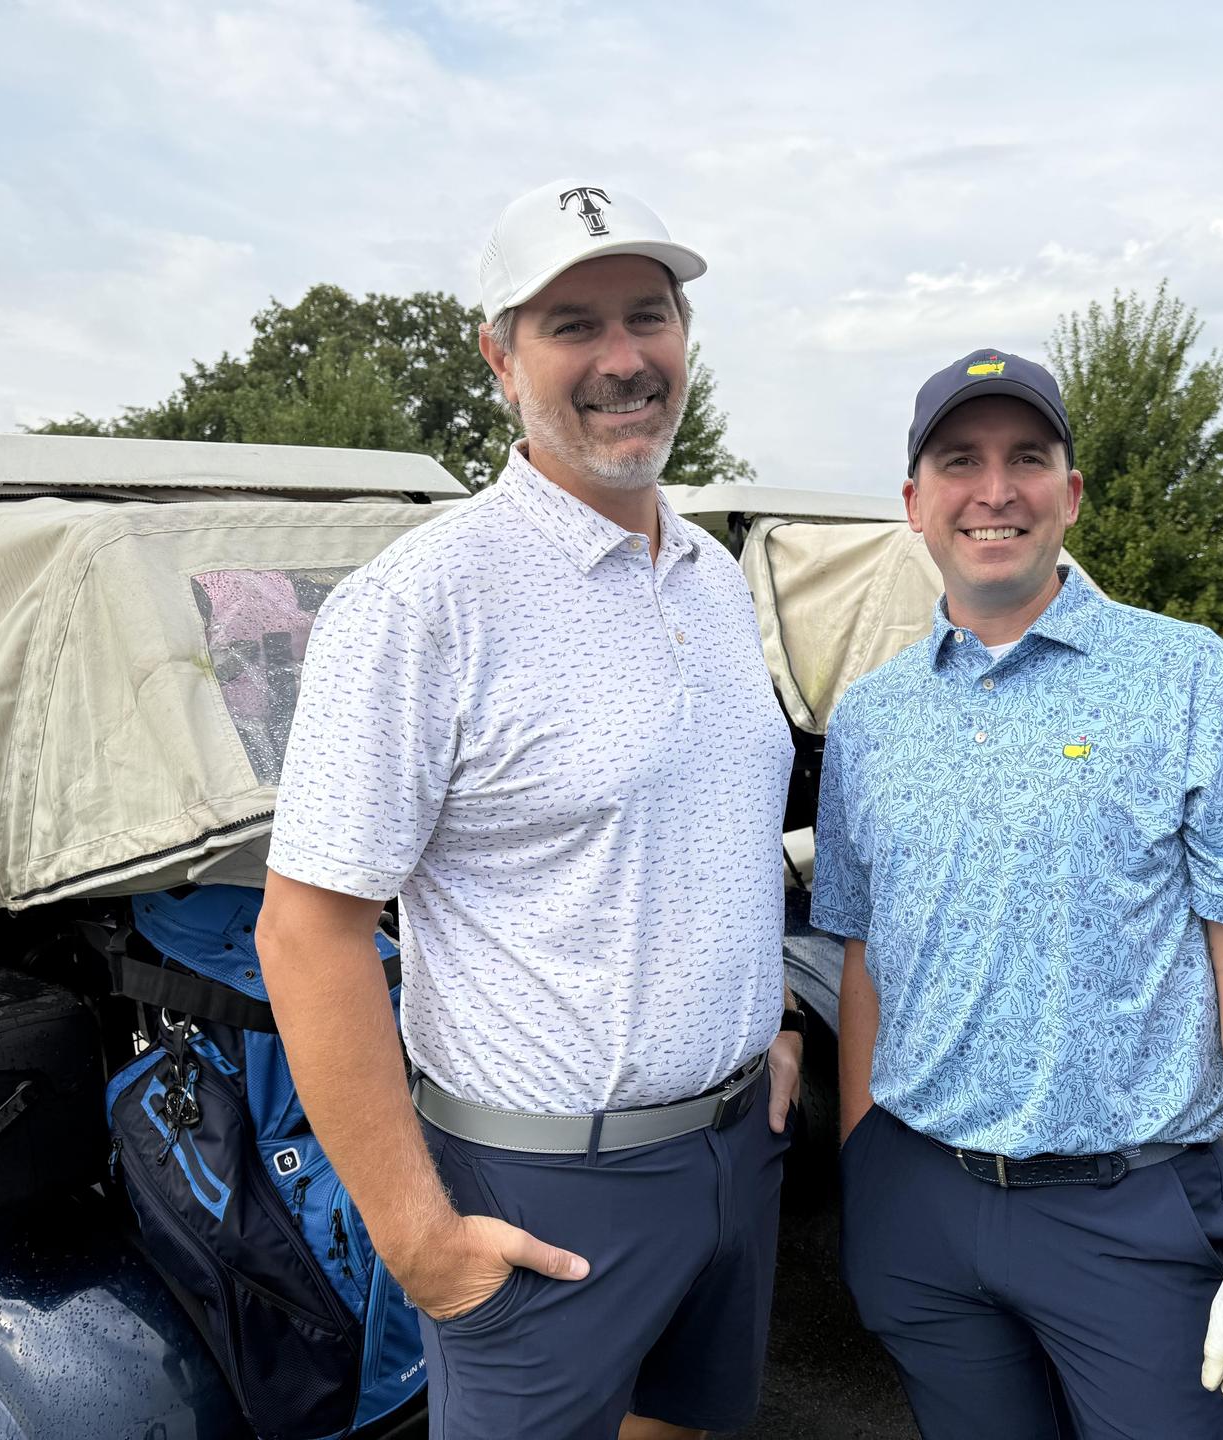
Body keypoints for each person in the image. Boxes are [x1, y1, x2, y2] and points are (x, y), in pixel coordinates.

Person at [255, 178, 804, 1440]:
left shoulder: (714, 577)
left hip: (737, 1144)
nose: (623, 358)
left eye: (648, 316)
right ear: (500, 360)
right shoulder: (422, 603)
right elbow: (306, 933)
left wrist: (772, 1023)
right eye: (572, 325)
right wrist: (421, 1243)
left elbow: (715, 829)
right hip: (544, 1183)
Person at [812, 349, 1223, 1438]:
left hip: (1127, 1213)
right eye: (960, 461)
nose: (994, 490)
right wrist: (866, 1170)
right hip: (920, 1206)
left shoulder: (1189, 678)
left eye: (1027, 459)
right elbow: (862, 951)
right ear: (914, 502)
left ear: (1072, 492)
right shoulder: (871, 718)